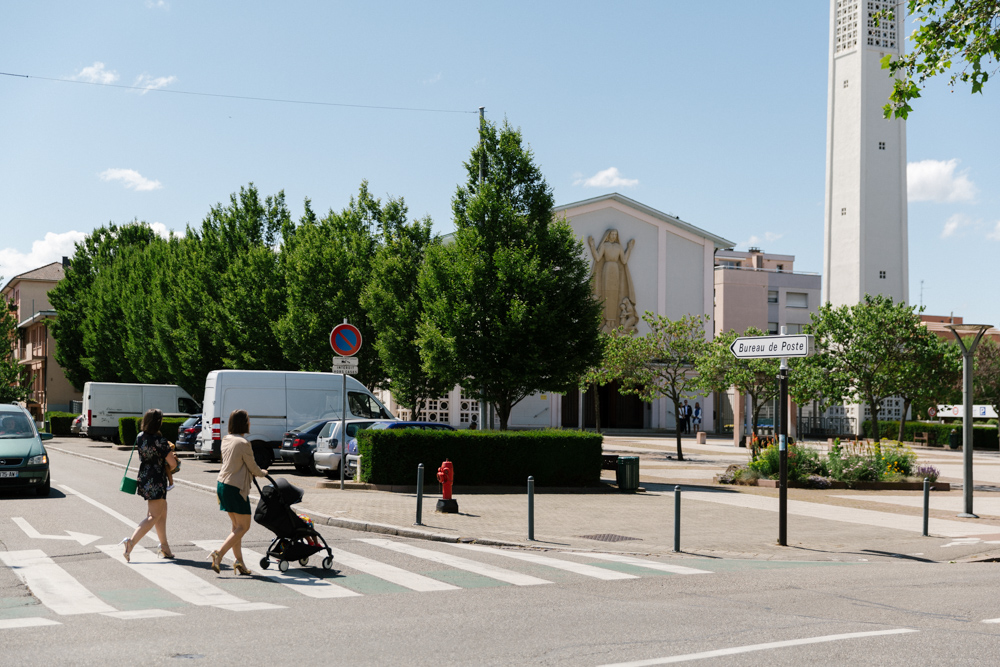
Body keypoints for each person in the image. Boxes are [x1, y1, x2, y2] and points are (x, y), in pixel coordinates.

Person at [210, 409, 267, 575]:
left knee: (236, 527)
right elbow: (252, 466)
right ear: (244, 423)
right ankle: (218, 554)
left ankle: (239, 562)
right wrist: (263, 473)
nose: (250, 423)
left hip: (222, 485)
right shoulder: (243, 443)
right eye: (248, 420)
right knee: (243, 527)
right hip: (235, 488)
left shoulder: (226, 439)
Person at [120, 409, 175, 561]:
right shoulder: (160, 441)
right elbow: (172, 463)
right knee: (153, 516)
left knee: (161, 512)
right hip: (157, 479)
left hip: (144, 476)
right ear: (158, 422)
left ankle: (165, 547)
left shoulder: (140, 437)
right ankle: (130, 543)